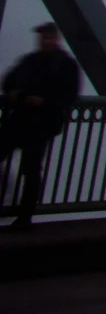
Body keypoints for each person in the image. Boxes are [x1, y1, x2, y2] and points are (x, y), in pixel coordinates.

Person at [2, 22, 83, 228]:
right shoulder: (32, 60)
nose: (44, 41)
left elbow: (69, 94)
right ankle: (23, 216)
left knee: (30, 169)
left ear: (55, 38)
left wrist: (43, 100)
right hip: (23, 119)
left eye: (47, 37)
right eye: (42, 37)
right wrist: (21, 95)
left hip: (40, 123)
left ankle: (24, 217)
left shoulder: (64, 64)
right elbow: (8, 82)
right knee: (30, 169)